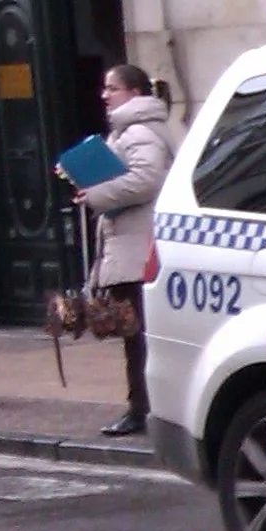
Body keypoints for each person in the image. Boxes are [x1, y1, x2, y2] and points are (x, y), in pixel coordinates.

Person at [72, 65, 174, 437]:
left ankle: (142, 410)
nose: (104, 95)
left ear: (133, 92)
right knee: (136, 333)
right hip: (130, 244)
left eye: (111, 88)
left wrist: (96, 193)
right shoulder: (130, 131)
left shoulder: (140, 132)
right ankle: (143, 407)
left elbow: (147, 179)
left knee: (137, 334)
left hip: (138, 248)